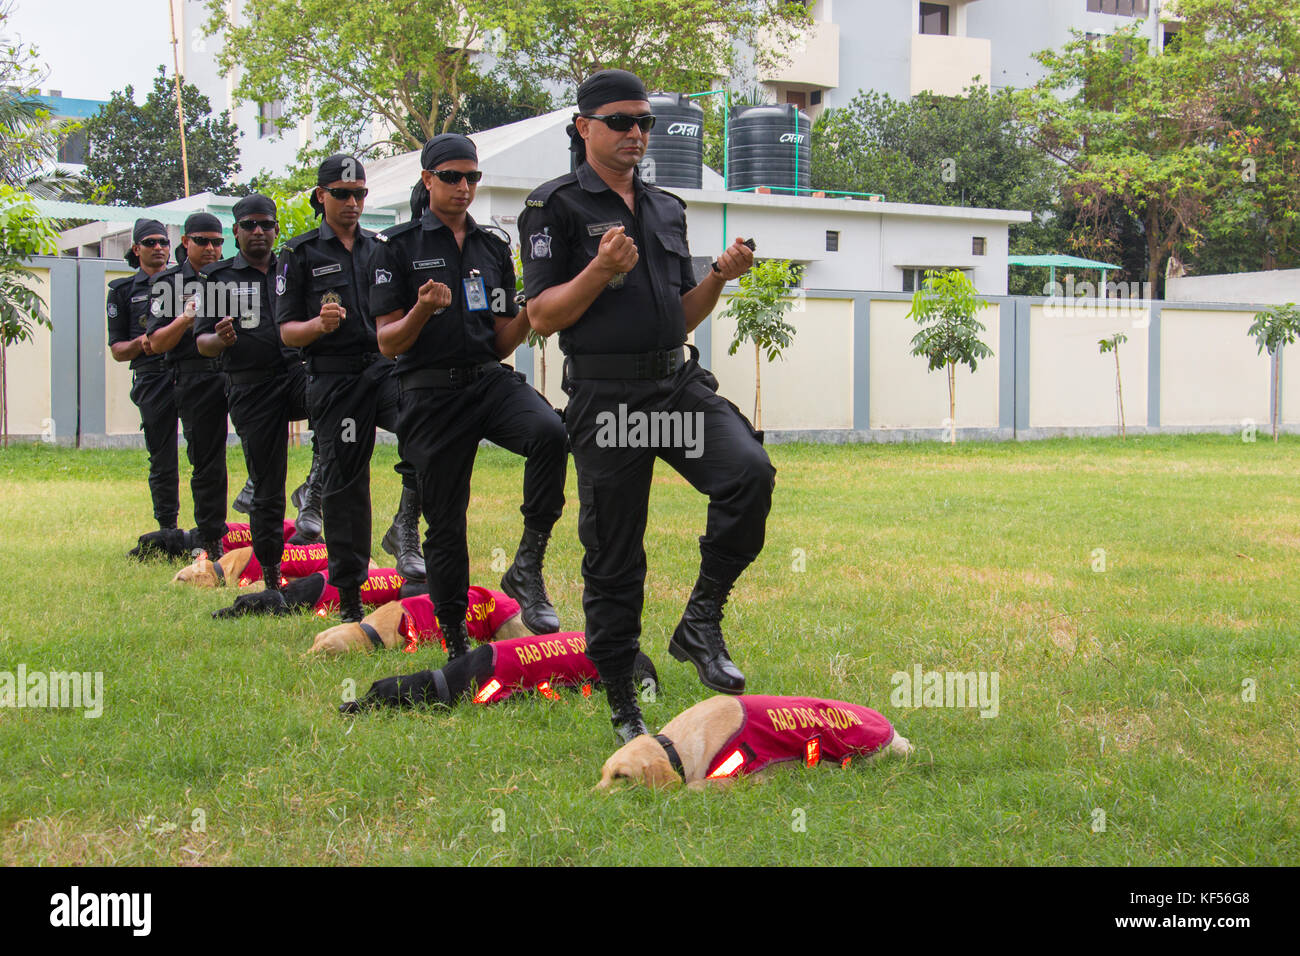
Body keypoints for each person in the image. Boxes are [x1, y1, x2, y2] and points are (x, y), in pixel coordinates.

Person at [518, 69, 776, 742]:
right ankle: (621, 703)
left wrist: (720, 275)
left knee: (748, 474)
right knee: (614, 552)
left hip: (674, 385)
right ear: (584, 128)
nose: (636, 133)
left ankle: (700, 620)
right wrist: (600, 268)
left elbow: (681, 316)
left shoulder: (666, 207)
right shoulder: (554, 208)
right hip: (607, 398)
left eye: (645, 123)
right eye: (621, 122)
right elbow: (543, 317)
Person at [368, 133, 568, 658]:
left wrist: (530, 309)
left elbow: (501, 339)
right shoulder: (397, 247)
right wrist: (421, 311)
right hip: (429, 391)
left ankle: (527, 565)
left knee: (550, 433)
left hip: (486, 380)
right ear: (428, 180)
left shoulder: (492, 247)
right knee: (447, 520)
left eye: (472, 177)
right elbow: (388, 342)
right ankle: (455, 636)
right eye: (452, 177)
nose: (463, 187)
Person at [276, 154, 424, 622]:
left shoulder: (381, 247)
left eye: (360, 193)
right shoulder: (299, 255)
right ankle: (349, 596)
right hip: (333, 376)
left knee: (427, 432)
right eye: (342, 194)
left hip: (382, 370)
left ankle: (405, 530)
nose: (353, 202)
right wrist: (318, 325)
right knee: (347, 486)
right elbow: (286, 334)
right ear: (320, 197)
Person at [194, 193, 320, 605]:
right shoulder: (218, 278)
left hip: (296, 376)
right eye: (249, 225)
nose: (258, 231)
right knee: (268, 486)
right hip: (250, 387)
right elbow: (202, 342)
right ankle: (271, 575)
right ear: (235, 232)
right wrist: (221, 338)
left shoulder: (293, 267)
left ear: (276, 228)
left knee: (337, 402)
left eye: (266, 224)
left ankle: (315, 490)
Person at [145, 212, 230, 559]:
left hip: (234, 372)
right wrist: (186, 317)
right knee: (207, 461)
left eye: (217, 242)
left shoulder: (230, 277)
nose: (210, 248)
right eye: (202, 241)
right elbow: (156, 342)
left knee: (259, 458)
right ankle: (209, 537)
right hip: (193, 374)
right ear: (185, 242)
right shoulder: (168, 284)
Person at [107, 218, 179, 531]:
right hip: (152, 378)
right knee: (162, 458)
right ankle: (167, 528)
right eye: (151, 242)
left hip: (190, 375)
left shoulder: (187, 283)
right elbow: (118, 350)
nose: (159, 248)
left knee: (206, 457)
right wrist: (143, 343)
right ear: (136, 249)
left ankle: (210, 532)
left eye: (164, 242)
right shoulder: (122, 292)